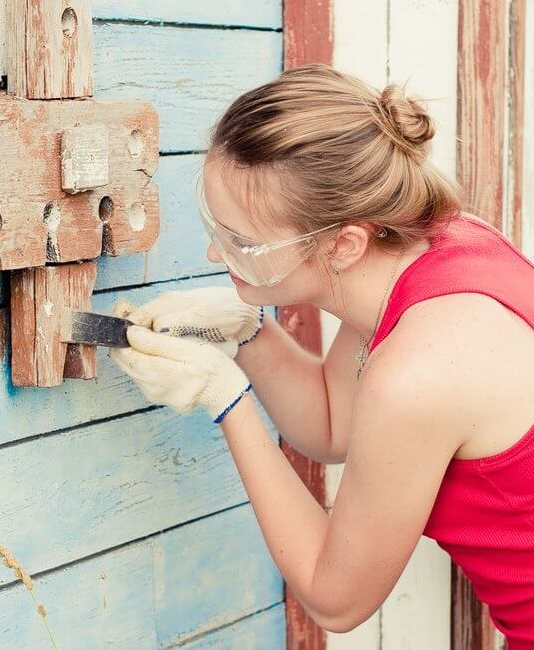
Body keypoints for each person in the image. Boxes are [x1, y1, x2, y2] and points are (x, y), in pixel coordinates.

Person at [109, 64, 534, 645]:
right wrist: (249, 335)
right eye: (215, 225)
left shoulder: (418, 371)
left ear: (343, 245)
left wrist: (225, 400)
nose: (214, 251)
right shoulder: (428, 248)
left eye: (243, 241)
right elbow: (335, 424)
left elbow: (336, 602)